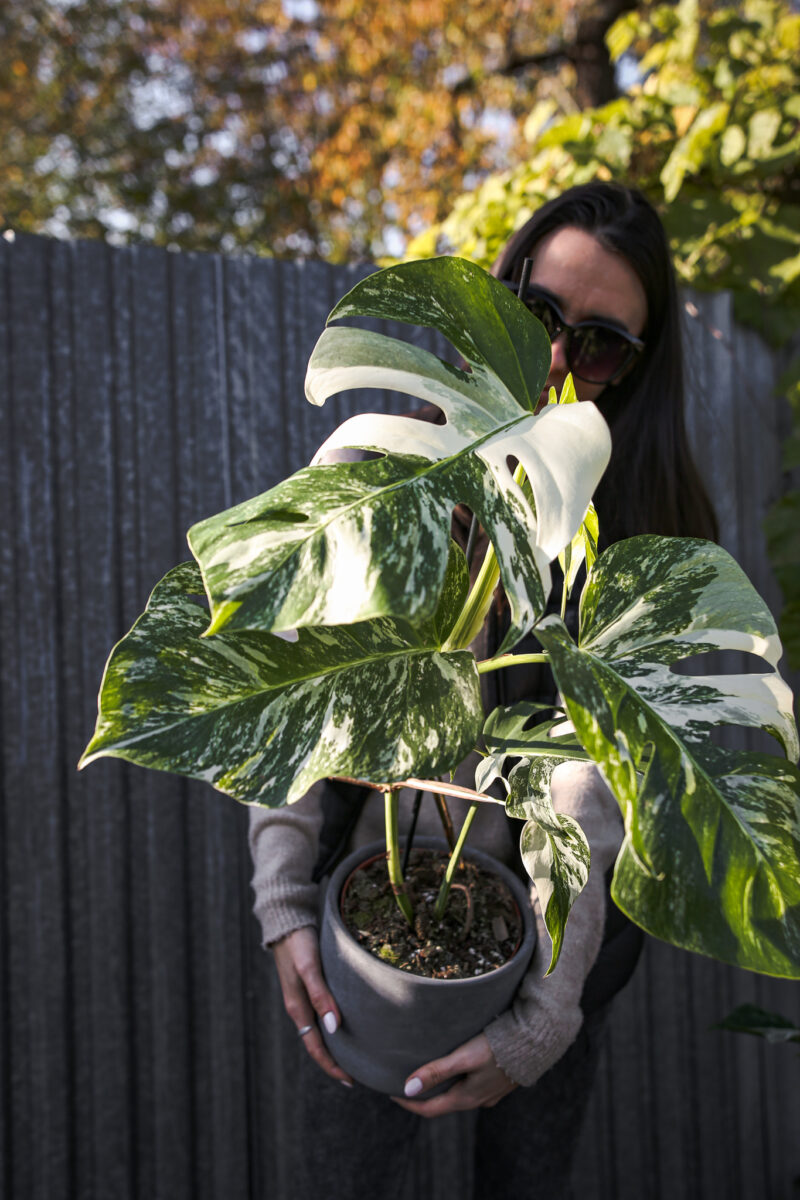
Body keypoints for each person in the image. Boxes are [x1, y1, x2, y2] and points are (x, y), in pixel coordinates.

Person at [248, 182, 718, 1198]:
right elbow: (295, 696)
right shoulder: (387, 471)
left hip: (559, 947)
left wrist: (542, 1022)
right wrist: (283, 901)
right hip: (366, 919)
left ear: (633, 372)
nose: (551, 359)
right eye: (533, 312)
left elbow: (598, 790)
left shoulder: (644, 542)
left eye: (597, 347)